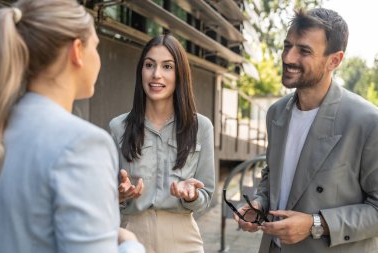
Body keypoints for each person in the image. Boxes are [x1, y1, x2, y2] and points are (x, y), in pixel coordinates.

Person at [0, 1, 145, 253]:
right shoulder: (83, 143)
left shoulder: (6, 124)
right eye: (96, 47)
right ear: (77, 51)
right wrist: (130, 242)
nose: (98, 59)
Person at [235, 7, 378, 253]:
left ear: (334, 60)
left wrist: (316, 224)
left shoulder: (367, 121)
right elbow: (273, 174)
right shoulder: (276, 113)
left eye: (304, 51)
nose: (288, 58)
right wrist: (260, 202)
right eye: (287, 45)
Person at [109, 33, 215, 253]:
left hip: (184, 239)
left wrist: (193, 195)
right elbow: (105, 195)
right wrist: (119, 194)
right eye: (149, 65)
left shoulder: (201, 127)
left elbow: (206, 195)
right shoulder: (118, 127)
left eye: (167, 67)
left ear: (180, 75)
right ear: (141, 71)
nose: (156, 74)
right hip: (131, 237)